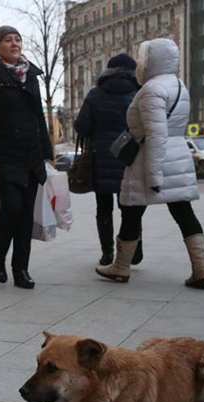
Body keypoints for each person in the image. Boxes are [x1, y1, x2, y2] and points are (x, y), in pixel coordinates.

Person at [96, 39, 204, 288]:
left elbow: (156, 133)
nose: (139, 63)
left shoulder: (151, 90)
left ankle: (121, 266)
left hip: (150, 158)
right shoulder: (179, 85)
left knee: (130, 211)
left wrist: (154, 175)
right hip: (177, 158)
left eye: (142, 58)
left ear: (152, 61)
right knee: (183, 212)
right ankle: (201, 269)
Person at [0, 26, 54, 289]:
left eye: (18, 39)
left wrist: (47, 151)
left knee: (26, 214)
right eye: (8, 40)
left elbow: (38, 116)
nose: (15, 43)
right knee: (12, 207)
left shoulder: (31, 76)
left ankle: (21, 269)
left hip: (30, 154)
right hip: (3, 154)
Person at [73, 53, 142, 267]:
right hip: (129, 158)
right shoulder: (139, 94)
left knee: (104, 208)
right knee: (130, 207)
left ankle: (107, 253)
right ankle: (134, 250)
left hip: (100, 158)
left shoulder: (95, 94)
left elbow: (81, 127)